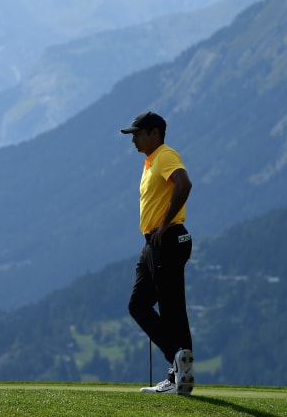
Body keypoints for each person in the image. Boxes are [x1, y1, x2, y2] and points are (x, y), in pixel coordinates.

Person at [120, 111, 195, 395]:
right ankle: (178, 362)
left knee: (172, 307)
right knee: (138, 304)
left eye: (137, 134)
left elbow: (184, 184)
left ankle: (178, 371)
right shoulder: (150, 162)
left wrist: (164, 225)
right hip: (153, 242)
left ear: (155, 133)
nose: (134, 140)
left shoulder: (165, 155)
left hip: (168, 238)